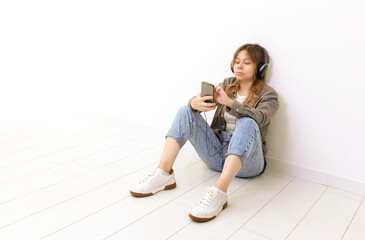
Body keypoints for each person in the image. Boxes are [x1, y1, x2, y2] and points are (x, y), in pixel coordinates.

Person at [130, 43, 279, 222]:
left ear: (260, 67)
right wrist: (194, 103)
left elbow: (261, 117)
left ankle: (219, 192)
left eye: (246, 62)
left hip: (248, 164)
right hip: (217, 156)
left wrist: (230, 103)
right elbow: (194, 104)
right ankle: (164, 174)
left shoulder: (269, 95)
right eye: (237, 61)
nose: (239, 66)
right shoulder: (227, 85)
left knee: (247, 122)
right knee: (185, 111)